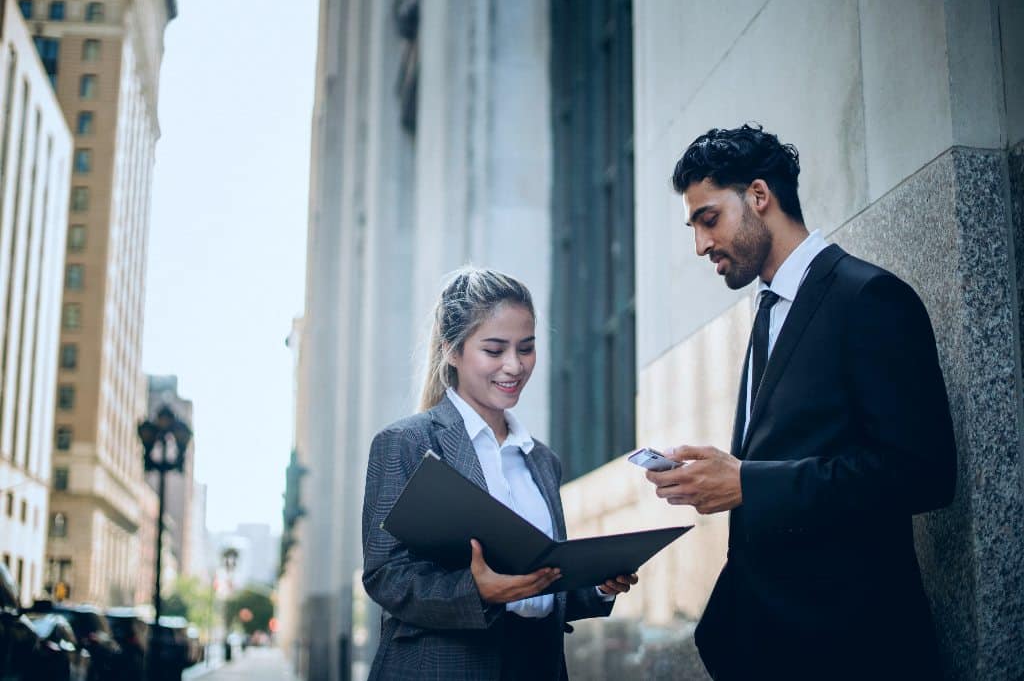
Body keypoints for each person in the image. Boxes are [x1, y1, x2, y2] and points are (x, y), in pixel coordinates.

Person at [645, 124, 957, 680]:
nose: (700, 246)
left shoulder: (868, 299)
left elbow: (922, 473)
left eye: (708, 219)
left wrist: (749, 482)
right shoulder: (767, 311)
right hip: (770, 646)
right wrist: (725, 474)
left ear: (759, 196)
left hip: (854, 649)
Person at [362, 267, 638, 680]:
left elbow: (541, 585)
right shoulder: (406, 443)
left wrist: (596, 584)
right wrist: (476, 592)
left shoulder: (541, 460)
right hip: (443, 668)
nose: (514, 366)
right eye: (494, 350)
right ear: (452, 351)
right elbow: (386, 575)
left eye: (526, 348)